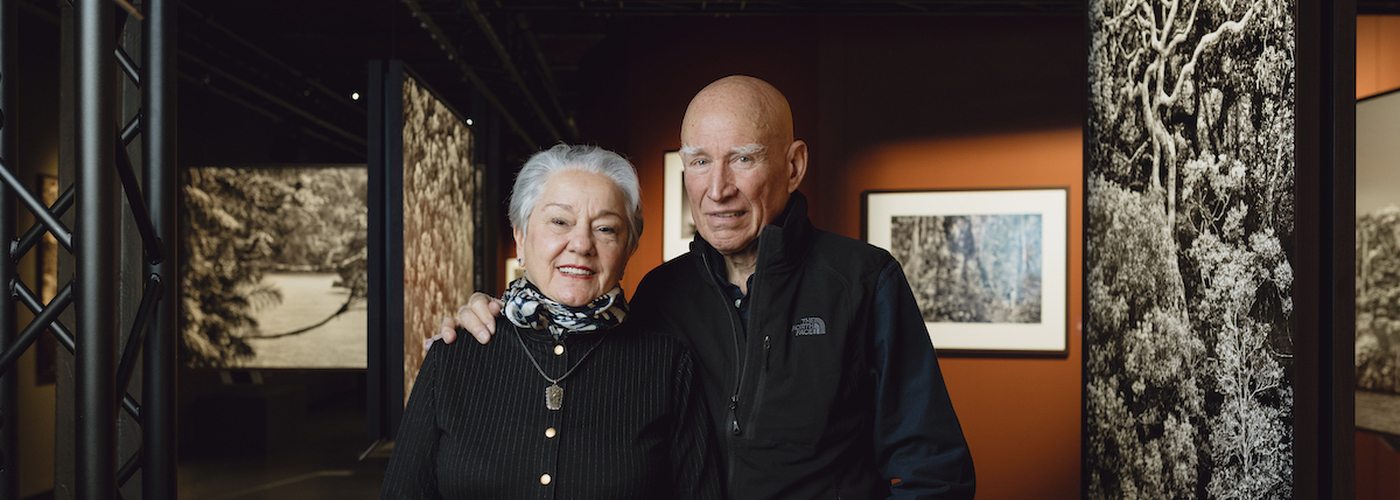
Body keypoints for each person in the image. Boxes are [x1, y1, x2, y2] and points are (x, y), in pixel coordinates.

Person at [442, 76, 975, 499]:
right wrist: (494, 318)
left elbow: (934, 471)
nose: (717, 189)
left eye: (743, 158)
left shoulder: (863, 281)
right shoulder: (659, 294)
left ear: (793, 166)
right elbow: (575, 380)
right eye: (699, 161)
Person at [381, 144, 724, 500]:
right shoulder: (454, 354)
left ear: (627, 249)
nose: (581, 244)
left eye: (606, 229)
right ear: (520, 237)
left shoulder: (666, 364)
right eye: (560, 222)